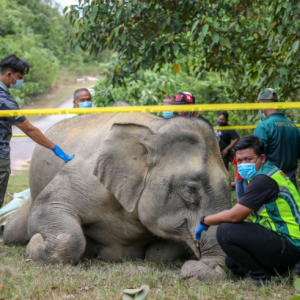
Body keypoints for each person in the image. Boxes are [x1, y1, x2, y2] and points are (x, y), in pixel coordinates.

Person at [195, 135, 300, 286]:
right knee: (232, 263)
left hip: (288, 244)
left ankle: (259, 278)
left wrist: (205, 220)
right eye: (240, 161)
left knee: (226, 231)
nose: (244, 164)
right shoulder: (267, 172)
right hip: (285, 241)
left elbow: (234, 216)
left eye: (248, 159)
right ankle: (284, 270)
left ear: (262, 158)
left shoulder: (263, 181)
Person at [0, 54, 74, 208]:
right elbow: (29, 129)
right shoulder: (5, 101)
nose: (20, 81)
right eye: (19, 77)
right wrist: (55, 148)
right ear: (9, 74)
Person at [254, 88, 300, 188]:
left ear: (261, 104)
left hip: (271, 186)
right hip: (291, 187)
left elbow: (257, 159)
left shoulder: (263, 127)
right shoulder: (294, 127)